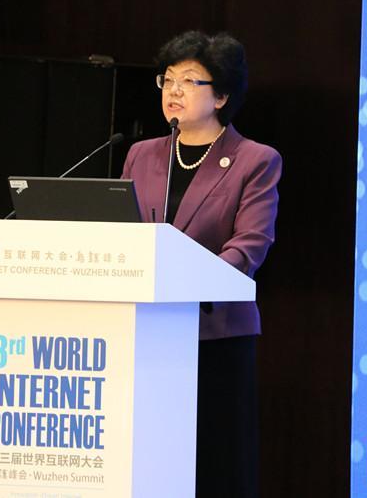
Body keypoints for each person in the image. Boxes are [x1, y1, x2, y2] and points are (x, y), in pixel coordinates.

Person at [121, 30, 282, 497]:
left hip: (215, 335)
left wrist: (189, 283)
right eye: (167, 79)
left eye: (189, 81)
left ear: (222, 95)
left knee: (214, 462)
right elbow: (124, 235)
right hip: (147, 330)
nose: (173, 90)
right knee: (149, 460)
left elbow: (248, 246)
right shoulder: (140, 154)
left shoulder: (255, 161)